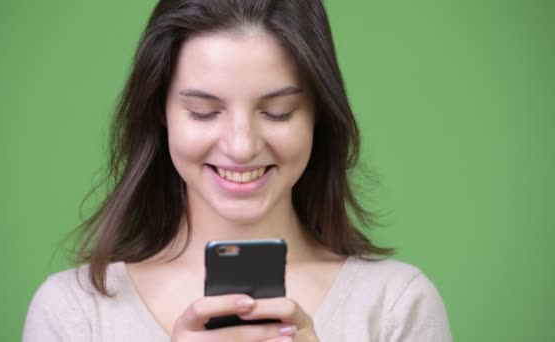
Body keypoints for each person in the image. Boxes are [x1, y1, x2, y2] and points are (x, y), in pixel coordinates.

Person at [23, 0, 452, 341]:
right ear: (161, 110)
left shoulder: (396, 305)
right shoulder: (75, 313)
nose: (241, 146)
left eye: (279, 112)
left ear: (318, 113)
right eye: (204, 112)